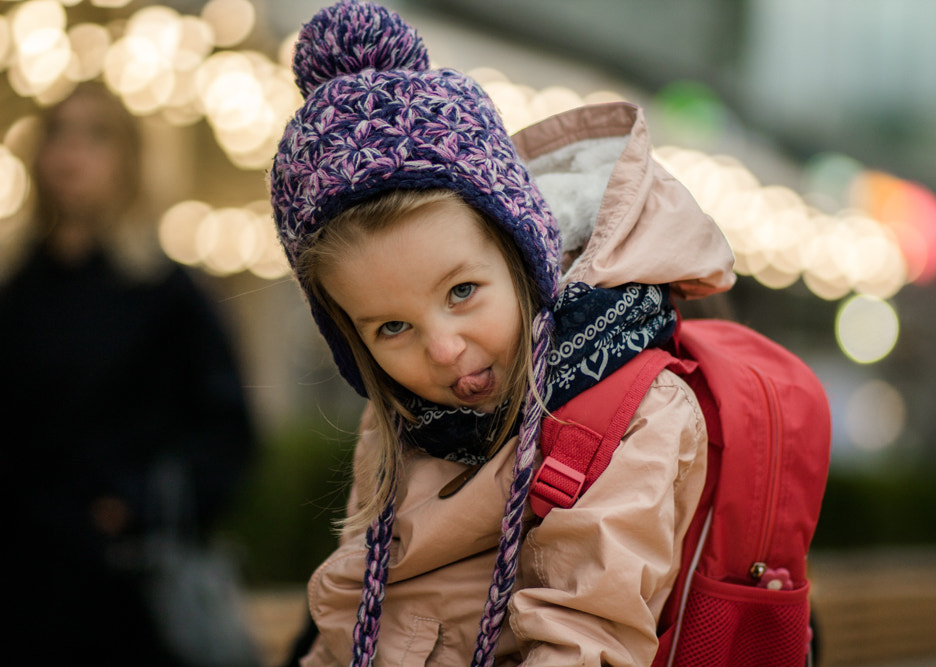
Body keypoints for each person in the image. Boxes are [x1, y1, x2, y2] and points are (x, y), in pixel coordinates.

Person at [269, 2, 735, 665]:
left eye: (463, 292)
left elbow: (587, 635)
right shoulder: (398, 422)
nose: (443, 348)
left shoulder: (632, 411)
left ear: (523, 253)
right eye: (392, 327)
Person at [1, 82, 258, 664]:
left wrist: (132, 505)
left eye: (96, 136)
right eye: (58, 133)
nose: (71, 152)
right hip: (20, 589)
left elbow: (227, 434)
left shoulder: (167, 296)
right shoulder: (15, 292)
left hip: (126, 593)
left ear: (128, 160)